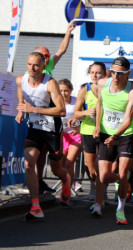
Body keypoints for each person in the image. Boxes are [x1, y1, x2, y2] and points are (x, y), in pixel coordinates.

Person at [15, 52, 71, 220]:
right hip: (34, 128)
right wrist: (21, 110)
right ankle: (35, 206)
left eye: (36, 65)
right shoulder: (21, 79)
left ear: (43, 66)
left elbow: (61, 111)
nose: (32, 68)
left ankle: (66, 179)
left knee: (56, 169)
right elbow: (20, 90)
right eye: (29, 64)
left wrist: (34, 110)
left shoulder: (50, 84)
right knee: (28, 164)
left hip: (52, 129)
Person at [93, 57, 133, 224]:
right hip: (106, 133)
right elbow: (99, 104)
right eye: (113, 72)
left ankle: (120, 209)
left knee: (122, 173)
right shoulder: (102, 84)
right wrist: (97, 126)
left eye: (120, 73)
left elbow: (128, 119)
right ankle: (98, 203)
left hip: (125, 135)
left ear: (127, 73)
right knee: (104, 175)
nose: (116, 76)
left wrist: (116, 136)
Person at [35, 22, 76, 193]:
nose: (46, 57)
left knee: (53, 160)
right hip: (35, 118)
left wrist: (68, 31)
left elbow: (61, 50)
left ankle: (63, 180)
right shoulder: (29, 73)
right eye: (43, 55)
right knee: (35, 153)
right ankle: (37, 181)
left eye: (47, 55)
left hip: (51, 118)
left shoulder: (48, 67)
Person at [74, 62, 107, 204]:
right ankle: (95, 186)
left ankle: (101, 189)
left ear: (104, 74)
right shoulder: (84, 90)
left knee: (103, 164)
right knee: (90, 166)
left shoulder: (108, 89)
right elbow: (76, 112)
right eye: (92, 72)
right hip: (87, 130)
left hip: (105, 131)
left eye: (98, 72)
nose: (95, 75)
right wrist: (86, 112)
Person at [59, 79, 82, 188]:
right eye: (61, 91)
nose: (63, 93)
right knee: (61, 164)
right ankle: (65, 185)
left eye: (66, 91)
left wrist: (78, 127)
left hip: (75, 135)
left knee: (69, 162)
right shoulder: (55, 102)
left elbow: (83, 117)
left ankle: (68, 189)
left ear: (71, 90)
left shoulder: (76, 101)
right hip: (62, 136)